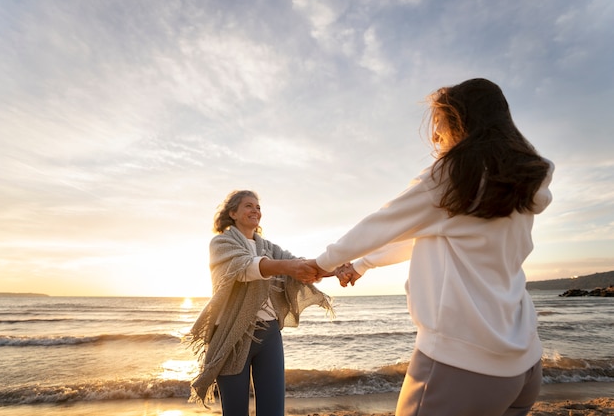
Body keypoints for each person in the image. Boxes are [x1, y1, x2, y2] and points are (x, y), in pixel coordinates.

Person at [308, 78, 554, 416]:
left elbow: (384, 222)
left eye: (437, 122)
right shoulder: (517, 183)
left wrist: (322, 263)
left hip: (462, 367)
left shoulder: (453, 174)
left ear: (459, 119)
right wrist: (363, 264)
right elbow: (424, 234)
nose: (434, 135)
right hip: (524, 365)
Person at [187, 190, 333, 416]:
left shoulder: (268, 248)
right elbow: (245, 268)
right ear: (233, 213)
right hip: (231, 334)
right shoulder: (221, 243)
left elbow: (299, 264)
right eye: (248, 206)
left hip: (269, 333)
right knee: (235, 411)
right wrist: (287, 266)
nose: (255, 210)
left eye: (258, 207)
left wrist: (338, 267)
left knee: (273, 410)